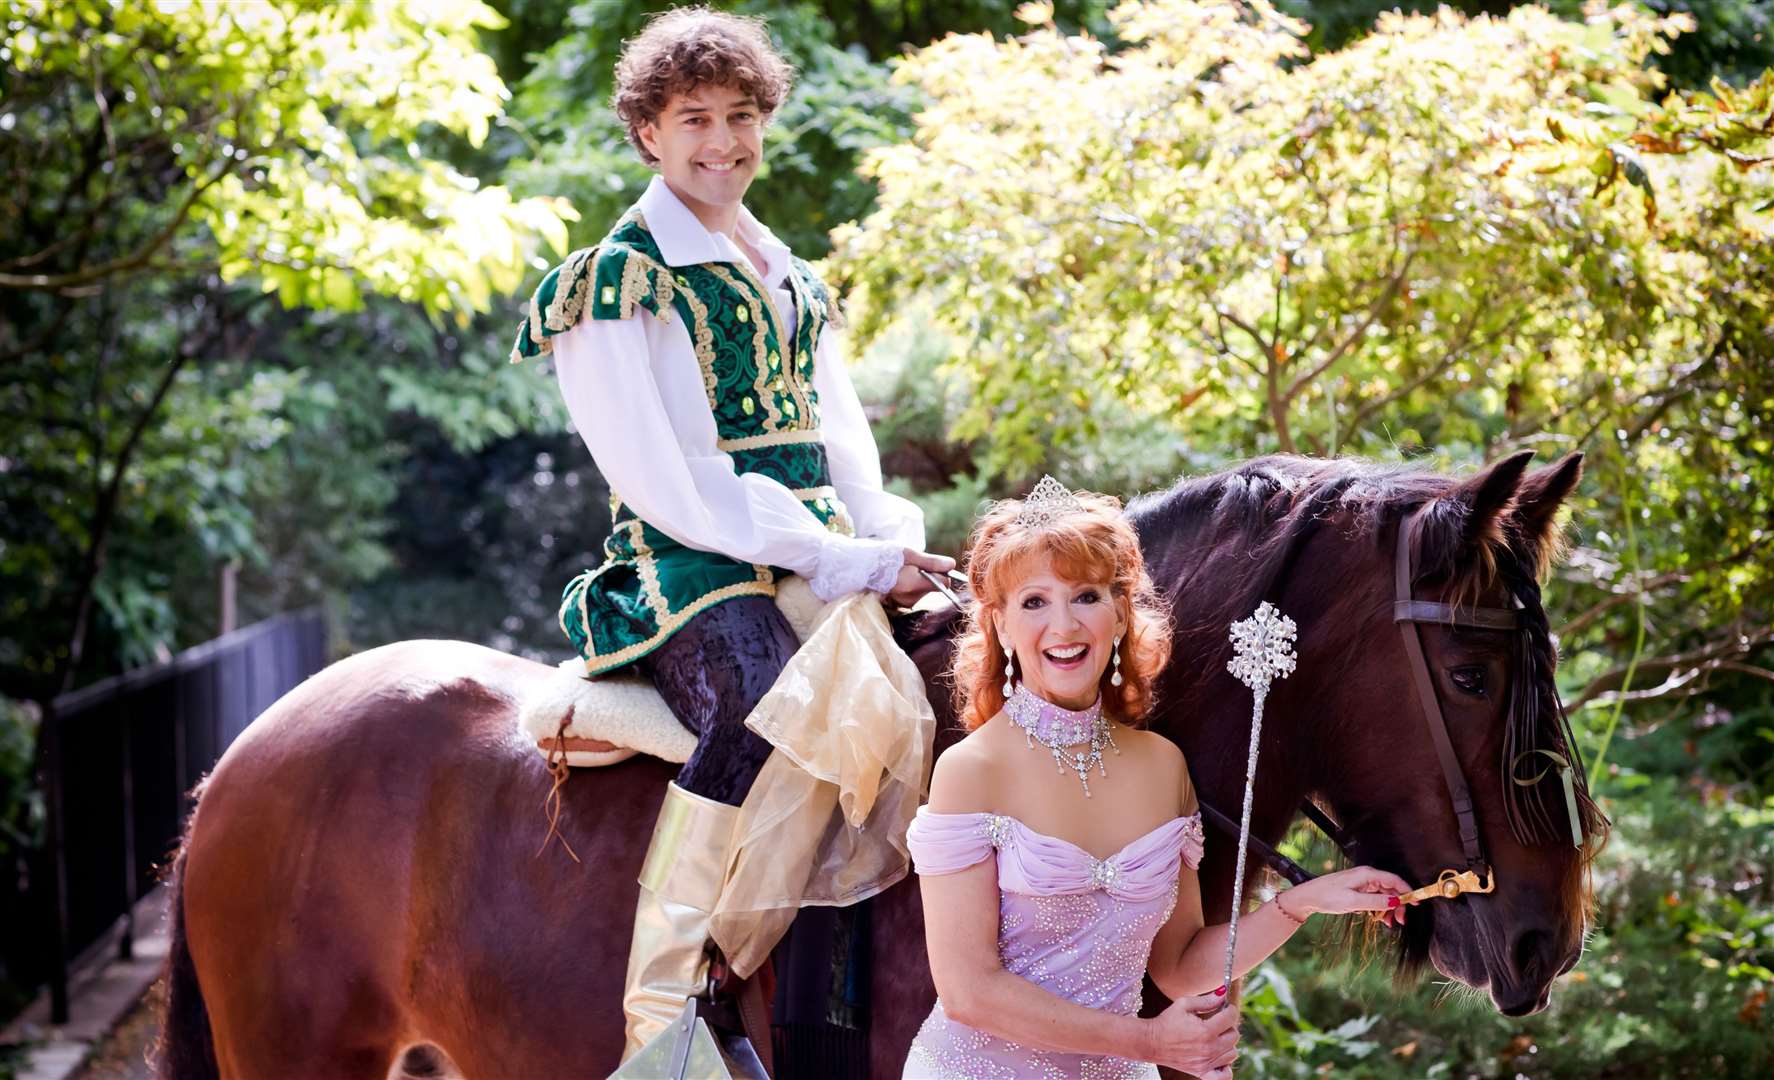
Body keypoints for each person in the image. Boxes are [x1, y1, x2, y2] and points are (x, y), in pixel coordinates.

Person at [509, 7, 953, 1060]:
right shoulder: (618, 278)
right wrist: (840, 556)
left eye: (741, 116)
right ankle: (667, 1011)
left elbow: (845, 447)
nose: (721, 140)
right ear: (647, 136)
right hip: (688, 559)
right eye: (693, 118)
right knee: (761, 711)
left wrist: (896, 546)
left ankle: (833, 1012)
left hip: (816, 545)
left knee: (937, 693)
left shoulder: (787, 273)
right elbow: (676, 480)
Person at [904, 478, 1409, 1079]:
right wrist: (1153, 1045)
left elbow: (1180, 965)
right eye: (1034, 602)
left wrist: (1304, 903)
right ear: (1002, 626)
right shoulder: (970, 771)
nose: (1063, 626)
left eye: (1086, 596)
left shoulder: (1162, 765)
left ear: (1120, 614)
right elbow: (970, 993)